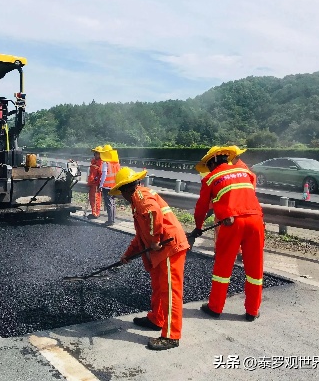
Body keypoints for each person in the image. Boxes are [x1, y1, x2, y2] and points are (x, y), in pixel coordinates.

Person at [110, 167, 190, 350]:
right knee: (159, 286)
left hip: (170, 247)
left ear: (125, 190)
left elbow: (154, 213)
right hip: (160, 251)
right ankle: (157, 319)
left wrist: (154, 240)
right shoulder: (137, 200)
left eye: (121, 191)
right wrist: (127, 255)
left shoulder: (141, 197)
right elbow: (141, 237)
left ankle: (171, 336)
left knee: (170, 291)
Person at [190, 146, 265, 322]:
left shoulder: (210, 178)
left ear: (213, 161)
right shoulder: (244, 171)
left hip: (232, 223)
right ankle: (252, 311)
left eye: (208, 165)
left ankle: (215, 308)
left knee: (223, 267)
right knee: (255, 268)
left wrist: (198, 227)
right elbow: (250, 188)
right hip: (255, 220)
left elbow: (201, 208)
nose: (207, 169)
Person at [98, 144, 120, 226]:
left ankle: (110, 221)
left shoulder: (106, 163)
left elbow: (104, 175)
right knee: (113, 203)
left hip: (107, 186)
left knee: (109, 203)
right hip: (114, 186)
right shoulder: (116, 163)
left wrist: (101, 185)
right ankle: (113, 219)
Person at [86, 146, 103, 220]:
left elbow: (101, 174)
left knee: (96, 199)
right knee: (92, 199)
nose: (96, 154)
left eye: (97, 153)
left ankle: (96, 213)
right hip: (92, 184)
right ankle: (93, 212)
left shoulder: (101, 163)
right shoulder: (93, 162)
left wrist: (97, 181)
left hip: (96, 184)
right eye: (95, 153)